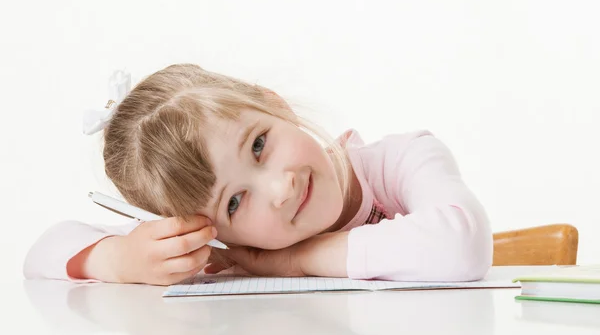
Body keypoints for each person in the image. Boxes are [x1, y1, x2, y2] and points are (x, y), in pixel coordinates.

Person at [23, 64, 493, 286]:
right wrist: (119, 260)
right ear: (204, 228)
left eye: (260, 145)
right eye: (233, 202)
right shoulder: (223, 251)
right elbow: (44, 250)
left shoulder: (401, 161)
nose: (280, 188)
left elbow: (462, 245)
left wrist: (296, 260)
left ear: (274, 104)